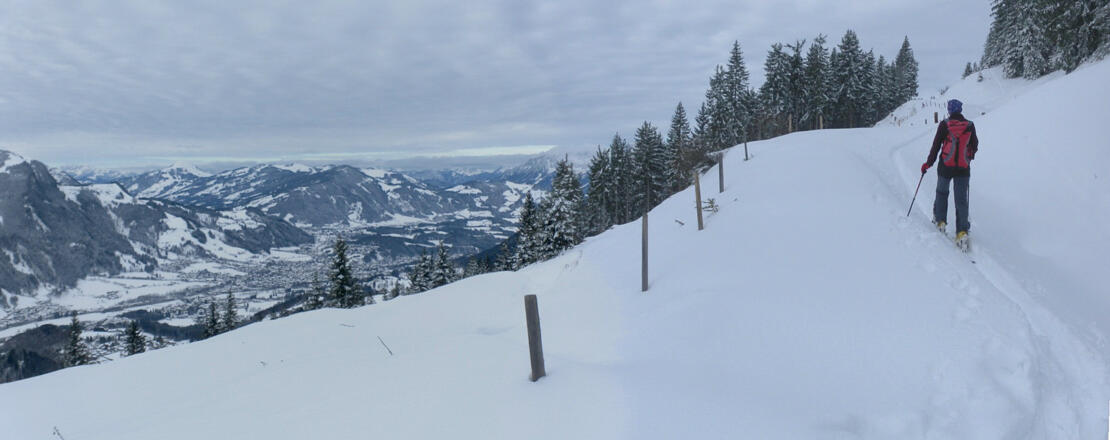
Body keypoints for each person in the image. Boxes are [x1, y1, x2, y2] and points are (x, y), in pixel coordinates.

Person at [920, 99, 978, 247]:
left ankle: (940, 221)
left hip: (945, 166)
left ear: (950, 110)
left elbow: (936, 145)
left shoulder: (944, 124)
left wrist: (928, 164)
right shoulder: (970, 125)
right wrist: (968, 157)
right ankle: (962, 232)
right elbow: (975, 146)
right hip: (963, 168)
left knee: (942, 193)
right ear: (960, 110)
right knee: (961, 200)